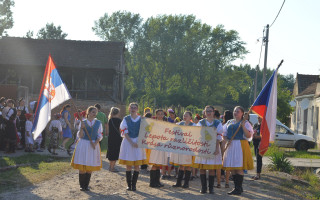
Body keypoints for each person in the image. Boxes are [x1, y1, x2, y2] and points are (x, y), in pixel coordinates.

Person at [222, 106, 254, 195]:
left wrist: (243, 126)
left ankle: (238, 188)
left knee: (238, 167)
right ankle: (237, 187)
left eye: (238, 111)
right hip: (231, 145)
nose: (235, 113)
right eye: (234, 111)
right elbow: (224, 133)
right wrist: (225, 140)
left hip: (240, 145)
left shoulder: (245, 123)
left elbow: (248, 136)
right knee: (232, 167)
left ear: (242, 113)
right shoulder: (229, 122)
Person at [71, 106, 103, 191]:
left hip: (93, 145)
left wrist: (95, 143)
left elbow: (100, 135)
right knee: (82, 166)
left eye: (95, 112)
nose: (94, 114)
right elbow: (80, 136)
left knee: (90, 166)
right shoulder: (83, 122)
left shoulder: (98, 123)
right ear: (88, 112)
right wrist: (81, 128)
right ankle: (82, 186)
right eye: (93, 112)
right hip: (83, 144)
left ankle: (86, 185)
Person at [193, 105, 223, 194]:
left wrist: (217, 148)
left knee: (211, 168)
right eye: (207, 111)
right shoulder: (201, 123)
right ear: (205, 113)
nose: (209, 113)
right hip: (203, 147)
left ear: (213, 112)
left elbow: (219, 137)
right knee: (202, 168)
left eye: (210, 111)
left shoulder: (218, 123)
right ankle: (203, 188)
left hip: (213, 147)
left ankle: (211, 188)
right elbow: (197, 135)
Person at [119, 102, 147, 191]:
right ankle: (129, 185)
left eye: (135, 107)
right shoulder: (126, 119)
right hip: (128, 142)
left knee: (137, 165)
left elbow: (145, 131)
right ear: (129, 109)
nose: (133, 109)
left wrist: (139, 141)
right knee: (129, 165)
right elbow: (124, 132)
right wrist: (131, 142)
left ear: (137, 109)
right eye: (131, 107)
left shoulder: (141, 119)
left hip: (138, 142)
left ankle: (134, 185)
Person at [171, 111, 194, 188]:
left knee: (188, 165)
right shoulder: (179, 124)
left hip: (189, 147)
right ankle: (178, 182)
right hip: (181, 147)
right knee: (181, 165)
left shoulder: (194, 125)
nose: (185, 117)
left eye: (187, 115)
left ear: (190, 117)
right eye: (184, 115)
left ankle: (186, 183)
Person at [148, 109, 167, 188]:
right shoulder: (153, 124)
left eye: (161, 114)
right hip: (155, 146)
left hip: (162, 145)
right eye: (158, 114)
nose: (160, 115)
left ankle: (157, 181)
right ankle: (152, 182)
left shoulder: (166, 124)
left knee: (159, 164)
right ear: (156, 115)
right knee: (154, 164)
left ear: (163, 115)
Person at [106, 107, 122, 172]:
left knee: (111, 152)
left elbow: (108, 130)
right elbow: (120, 130)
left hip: (111, 138)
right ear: (118, 113)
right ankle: (112, 168)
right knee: (115, 152)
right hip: (117, 138)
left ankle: (110, 166)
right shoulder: (119, 120)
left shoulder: (110, 120)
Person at [221, 110, 233, 188]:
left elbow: (223, 135)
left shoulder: (226, 124)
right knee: (227, 161)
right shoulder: (231, 124)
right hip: (228, 142)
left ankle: (224, 177)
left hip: (225, 143)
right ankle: (227, 178)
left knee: (224, 160)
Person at [252, 116, 262, 180]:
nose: (259, 118)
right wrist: (253, 135)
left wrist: (257, 137)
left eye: (260, 117)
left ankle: (258, 174)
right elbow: (252, 132)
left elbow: (263, 136)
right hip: (255, 143)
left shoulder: (263, 125)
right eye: (258, 117)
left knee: (259, 158)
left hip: (260, 144)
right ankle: (257, 173)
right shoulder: (255, 125)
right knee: (257, 158)